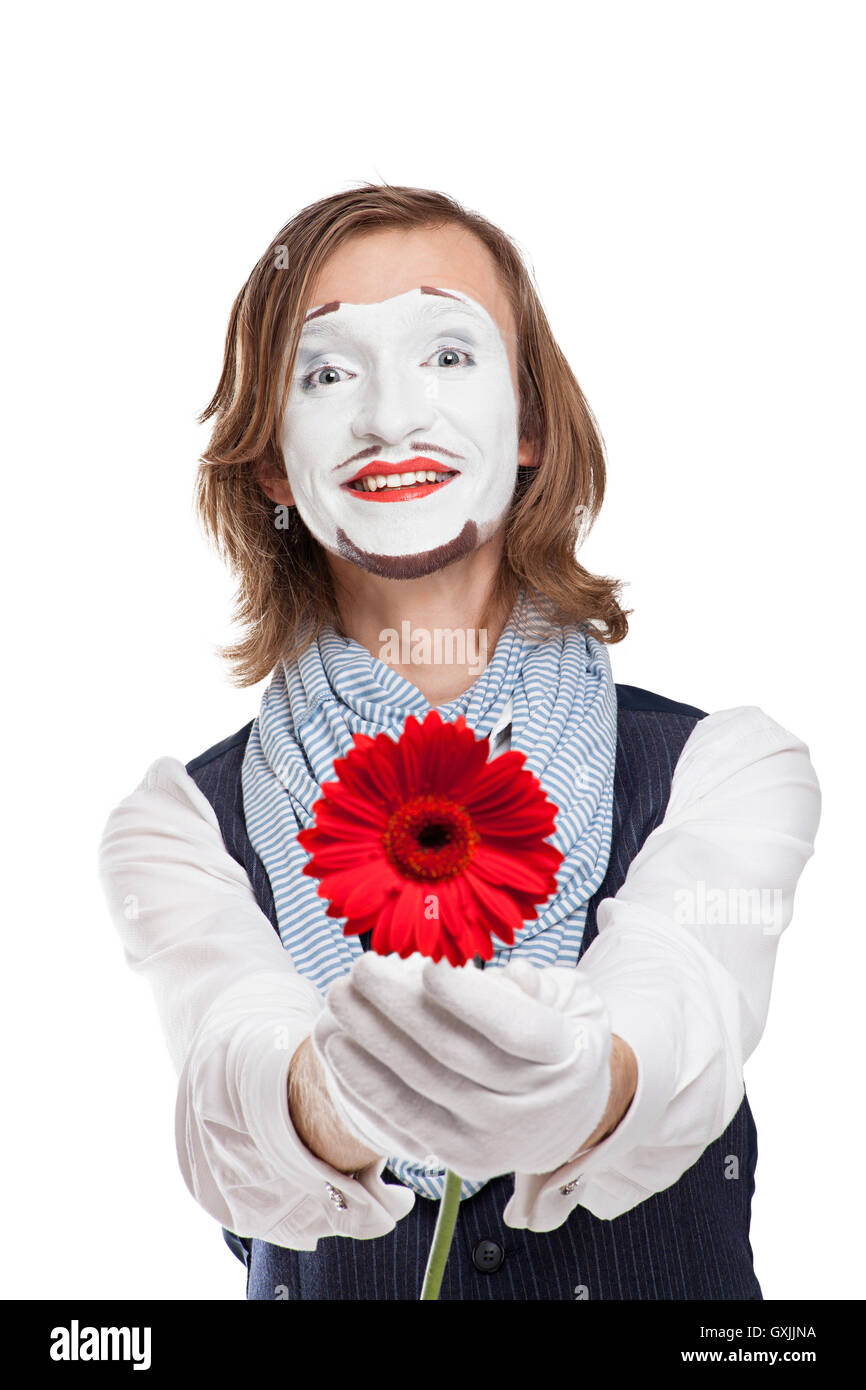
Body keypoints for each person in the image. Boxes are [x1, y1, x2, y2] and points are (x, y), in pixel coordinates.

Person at [98, 184, 821, 1301]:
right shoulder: (180, 822)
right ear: (273, 465)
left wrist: (584, 1085)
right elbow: (228, 1086)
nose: (391, 418)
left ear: (529, 425)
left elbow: (681, 1005)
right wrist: (340, 1098)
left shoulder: (724, 771)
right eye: (327, 373)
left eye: (445, 356)